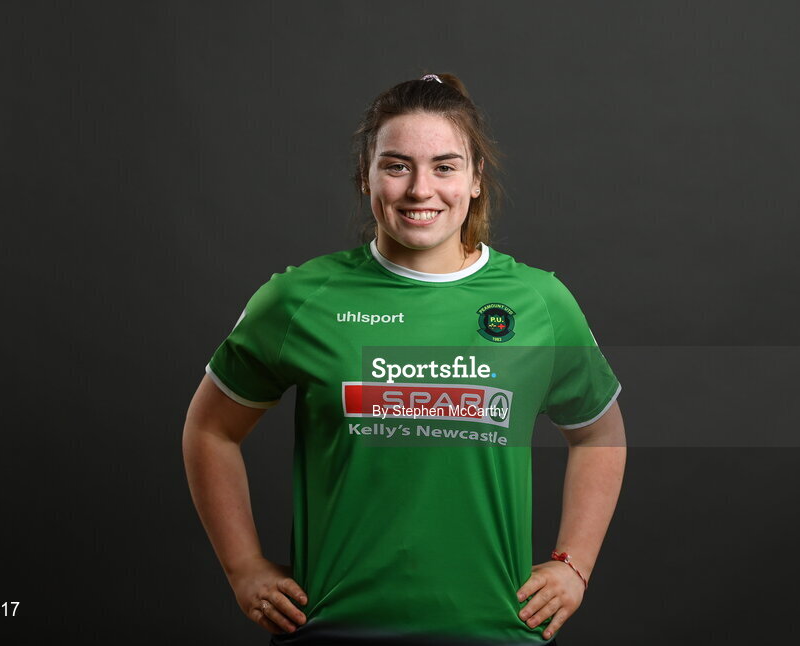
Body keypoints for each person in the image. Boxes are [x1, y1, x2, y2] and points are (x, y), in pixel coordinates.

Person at [183, 73, 627, 646]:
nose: (421, 189)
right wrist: (244, 568)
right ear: (366, 177)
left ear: (475, 179)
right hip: (333, 631)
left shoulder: (540, 302)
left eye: (444, 166)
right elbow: (210, 430)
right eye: (396, 166)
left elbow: (600, 435)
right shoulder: (300, 300)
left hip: (495, 633)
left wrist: (573, 564)